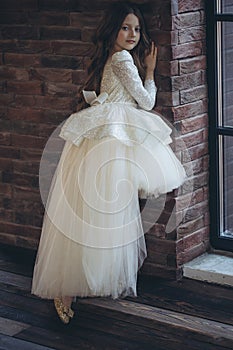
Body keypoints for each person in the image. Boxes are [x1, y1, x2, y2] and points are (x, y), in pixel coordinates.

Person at [31, 1, 186, 324]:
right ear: (113, 30)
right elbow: (146, 102)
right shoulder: (122, 59)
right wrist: (149, 73)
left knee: (96, 214)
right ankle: (70, 286)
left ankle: (74, 284)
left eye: (137, 29)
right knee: (106, 214)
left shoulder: (111, 58)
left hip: (103, 139)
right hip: (109, 142)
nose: (132, 34)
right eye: (125, 27)